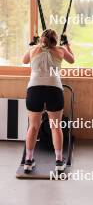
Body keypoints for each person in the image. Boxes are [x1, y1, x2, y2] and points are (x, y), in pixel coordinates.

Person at [23, 29, 74, 173]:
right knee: (55, 127)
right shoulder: (61, 50)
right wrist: (67, 44)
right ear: (55, 40)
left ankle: (28, 160)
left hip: (35, 89)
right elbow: (72, 60)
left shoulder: (34, 49)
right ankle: (58, 161)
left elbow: (24, 60)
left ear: (42, 39)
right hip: (54, 89)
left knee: (33, 127)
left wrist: (33, 44)